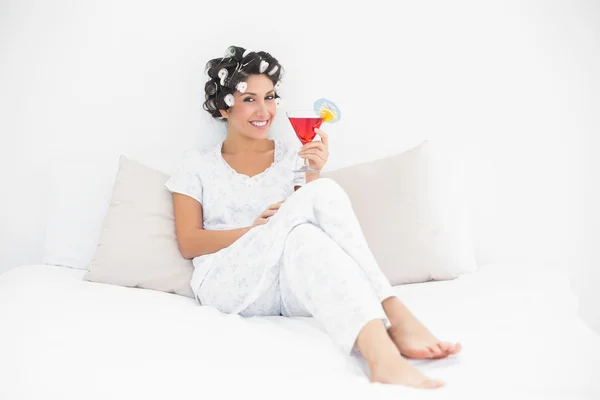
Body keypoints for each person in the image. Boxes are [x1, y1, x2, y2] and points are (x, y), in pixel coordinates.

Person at [164, 45, 461, 389]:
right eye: (249, 99)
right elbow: (189, 242)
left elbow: (308, 234)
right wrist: (256, 229)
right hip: (227, 284)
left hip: (287, 289)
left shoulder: (294, 158)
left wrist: (311, 172)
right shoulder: (196, 164)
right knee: (321, 195)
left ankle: (383, 359)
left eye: (271, 96)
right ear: (222, 106)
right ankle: (393, 310)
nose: (265, 110)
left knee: (309, 226)